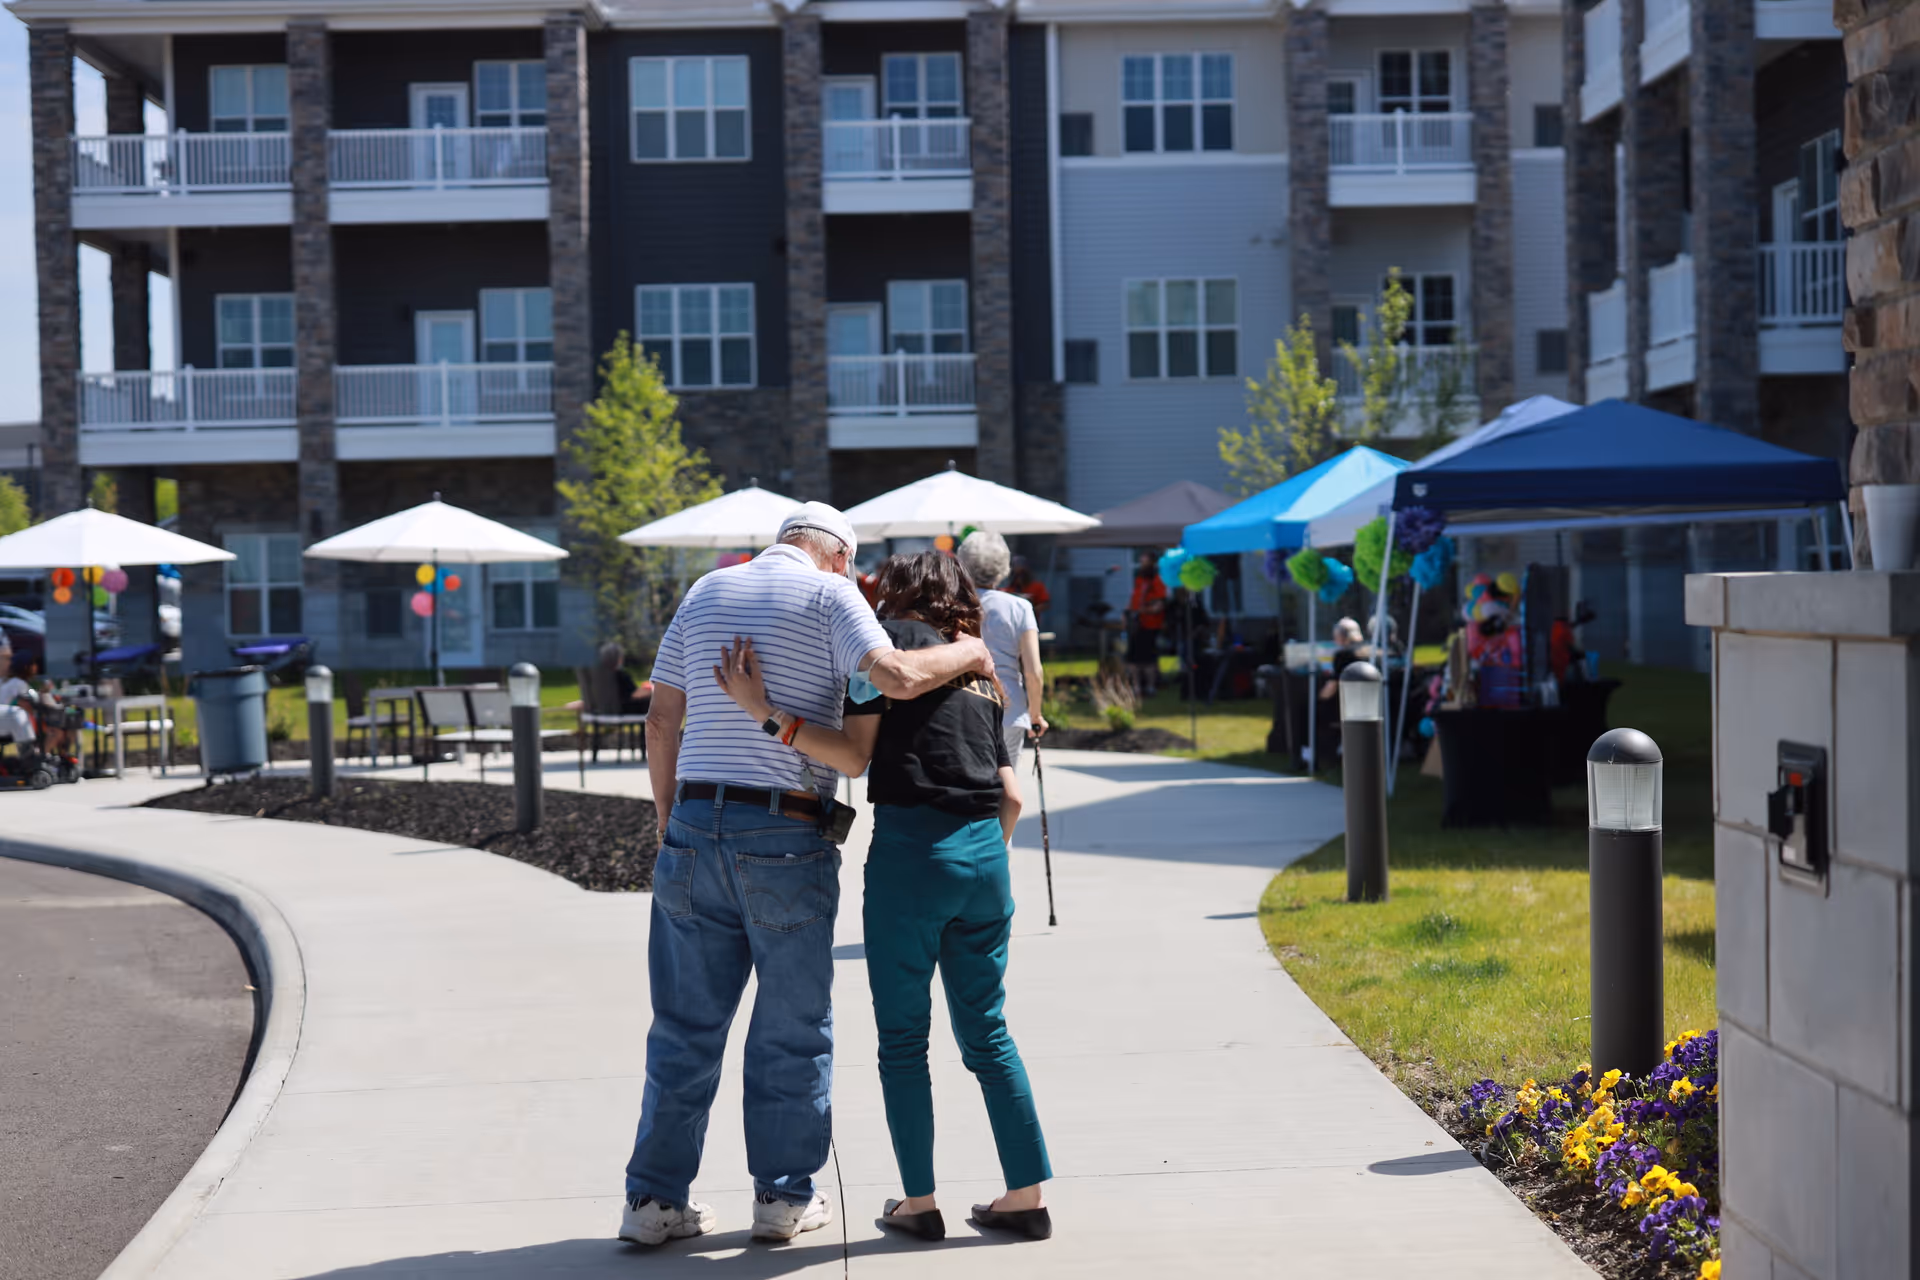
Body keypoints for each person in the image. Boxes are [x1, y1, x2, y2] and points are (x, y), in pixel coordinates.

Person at [621, 503, 996, 1250]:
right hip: (784, 831)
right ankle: (783, 1199)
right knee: (792, 1025)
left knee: (685, 1028)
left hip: (695, 823)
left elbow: (661, 720)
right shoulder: (830, 596)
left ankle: (654, 1203)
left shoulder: (702, 592)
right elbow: (893, 675)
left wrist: (669, 822)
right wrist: (971, 653)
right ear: (835, 556)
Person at [714, 552, 1052, 1245]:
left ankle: (919, 1203)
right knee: (988, 1034)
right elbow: (1011, 796)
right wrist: (979, 864)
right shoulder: (984, 675)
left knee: (904, 1042)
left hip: (910, 856)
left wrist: (764, 713)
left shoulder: (882, 655)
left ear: (893, 595)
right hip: (985, 859)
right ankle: (1026, 1196)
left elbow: (852, 757)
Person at [956, 530, 1047, 767]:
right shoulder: (1020, 607)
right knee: (1004, 789)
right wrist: (1035, 714)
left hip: (961, 707)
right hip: (1009, 708)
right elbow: (1033, 671)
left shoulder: (951, 604)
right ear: (1003, 567)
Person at [1125, 553, 1168, 697]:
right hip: (1136, 624)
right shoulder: (1139, 580)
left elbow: (1160, 604)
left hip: (1150, 625)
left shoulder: (1157, 580)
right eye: (1141, 562)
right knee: (1132, 658)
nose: (1142, 565)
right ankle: (1136, 687)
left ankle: (1150, 686)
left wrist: (1145, 610)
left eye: (1145, 562)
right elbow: (1133, 599)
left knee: (1148, 658)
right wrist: (1128, 611)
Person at [1006, 555, 1050, 623]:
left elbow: (1045, 604)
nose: (1019, 578)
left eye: (1021, 574)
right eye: (1016, 575)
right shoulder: (1008, 589)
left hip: (1031, 623)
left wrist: (1030, 610)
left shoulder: (1037, 586)